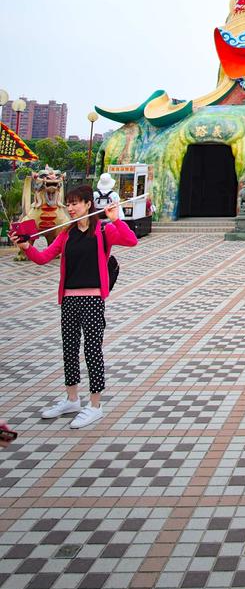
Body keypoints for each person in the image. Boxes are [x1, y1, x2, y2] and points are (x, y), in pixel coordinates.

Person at [10, 184, 137, 429]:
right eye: (68, 204)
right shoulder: (66, 233)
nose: (70, 208)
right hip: (68, 299)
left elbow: (131, 241)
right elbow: (43, 257)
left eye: (75, 203)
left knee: (92, 350)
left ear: (88, 204)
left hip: (92, 299)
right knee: (69, 349)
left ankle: (96, 405)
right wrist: (26, 247)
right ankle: (71, 399)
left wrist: (116, 219)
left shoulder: (102, 231)